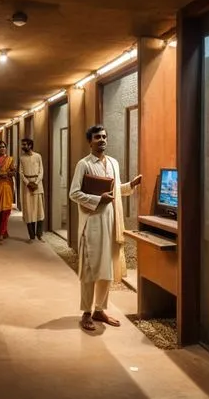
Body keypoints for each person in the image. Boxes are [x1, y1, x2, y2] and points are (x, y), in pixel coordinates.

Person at [69, 125, 142, 331]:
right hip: (91, 224)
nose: (101, 140)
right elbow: (74, 193)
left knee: (106, 270)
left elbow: (114, 190)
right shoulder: (83, 165)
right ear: (89, 141)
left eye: (104, 137)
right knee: (90, 270)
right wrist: (97, 199)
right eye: (97, 137)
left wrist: (130, 185)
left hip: (110, 223)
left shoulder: (113, 163)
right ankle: (85, 312)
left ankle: (100, 309)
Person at [19, 138, 45, 243]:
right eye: (22, 144)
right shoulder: (22, 158)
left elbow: (41, 171)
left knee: (39, 211)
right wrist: (28, 183)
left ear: (30, 145)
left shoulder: (38, 156)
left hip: (38, 185)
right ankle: (31, 236)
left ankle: (39, 235)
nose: (23, 146)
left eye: (25, 144)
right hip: (27, 187)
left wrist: (36, 182)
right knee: (29, 211)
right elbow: (20, 172)